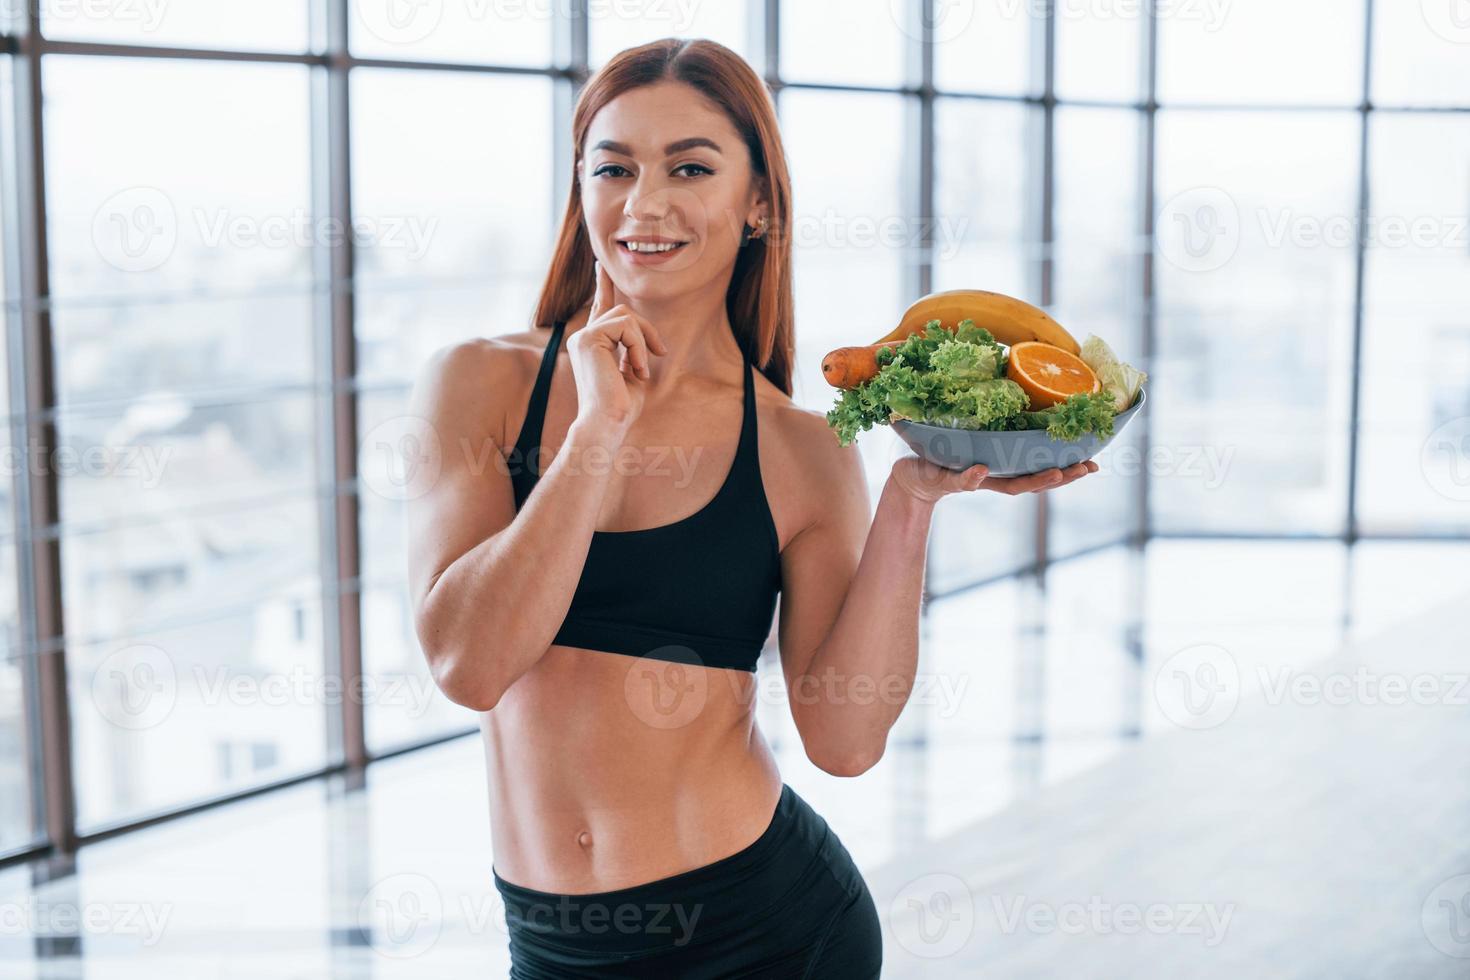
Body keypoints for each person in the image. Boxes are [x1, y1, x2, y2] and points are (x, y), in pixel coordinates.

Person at [406, 37, 1097, 979]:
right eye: (615, 168)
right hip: (555, 948)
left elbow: (845, 742)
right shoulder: (480, 384)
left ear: (758, 202)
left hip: (768, 935)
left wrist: (910, 503)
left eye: (690, 167)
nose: (645, 203)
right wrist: (598, 430)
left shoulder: (802, 448)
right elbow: (469, 663)